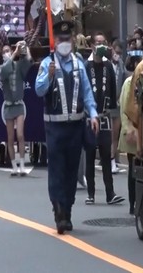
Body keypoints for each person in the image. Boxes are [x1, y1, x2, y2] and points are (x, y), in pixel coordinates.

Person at [36, 21, 100, 234]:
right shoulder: (47, 63)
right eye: (61, 40)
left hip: (75, 127)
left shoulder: (79, 63)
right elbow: (38, 90)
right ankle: (58, 209)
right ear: (56, 41)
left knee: (72, 170)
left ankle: (68, 210)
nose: (65, 43)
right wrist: (49, 75)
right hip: (54, 129)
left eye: (67, 39)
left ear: (72, 40)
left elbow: (87, 92)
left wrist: (93, 114)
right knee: (56, 170)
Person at [84, 32, 124, 205]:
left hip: (105, 115)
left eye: (103, 42)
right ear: (92, 45)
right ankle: (91, 193)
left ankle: (110, 193)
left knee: (106, 154)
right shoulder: (87, 66)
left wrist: (113, 111)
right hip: (90, 117)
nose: (100, 45)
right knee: (91, 154)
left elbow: (114, 90)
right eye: (97, 42)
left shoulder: (109, 66)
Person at [0, 41, 33, 176]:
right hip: (8, 105)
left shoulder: (18, 66)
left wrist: (26, 48)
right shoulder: (2, 68)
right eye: (4, 51)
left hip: (19, 105)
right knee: (10, 137)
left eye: (8, 50)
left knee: (20, 135)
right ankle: (14, 166)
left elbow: (29, 61)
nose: (7, 53)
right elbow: (3, 74)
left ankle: (22, 165)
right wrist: (13, 54)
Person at [118, 50, 143, 214]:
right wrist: (128, 129)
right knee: (133, 170)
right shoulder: (129, 82)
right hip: (133, 130)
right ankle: (133, 203)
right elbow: (125, 108)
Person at [110, 39, 127, 174]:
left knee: (115, 134)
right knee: (106, 135)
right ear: (112, 49)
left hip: (117, 103)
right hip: (105, 104)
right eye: (116, 52)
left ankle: (112, 161)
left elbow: (125, 77)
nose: (118, 55)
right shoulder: (105, 63)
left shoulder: (121, 64)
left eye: (120, 53)